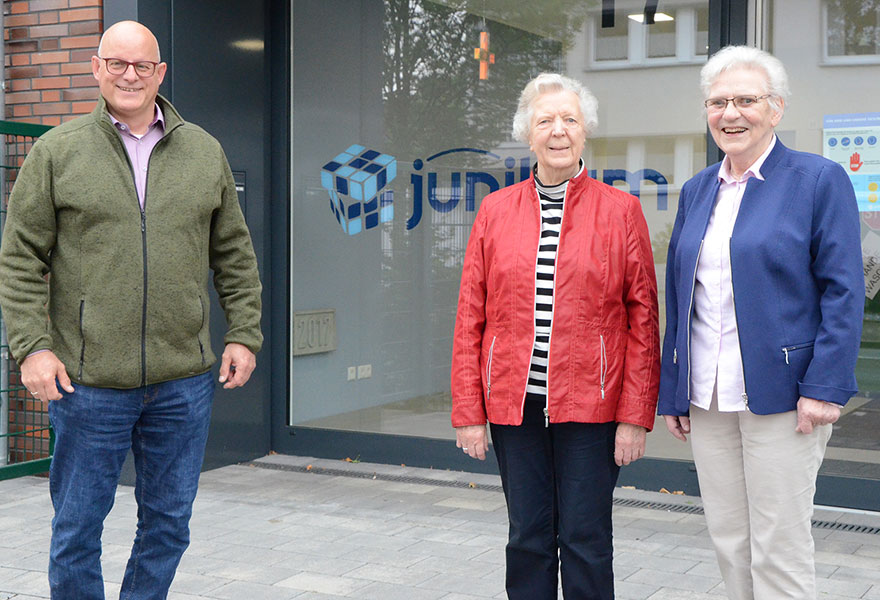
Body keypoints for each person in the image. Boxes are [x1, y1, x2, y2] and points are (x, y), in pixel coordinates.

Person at [0, 21, 262, 599]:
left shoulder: (203, 151)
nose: (129, 76)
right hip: (87, 383)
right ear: (96, 69)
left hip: (183, 383)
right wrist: (33, 347)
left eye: (142, 66)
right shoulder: (57, 152)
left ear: (160, 73)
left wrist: (243, 332)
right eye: (117, 63)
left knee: (168, 526)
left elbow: (234, 254)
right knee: (76, 531)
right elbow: (19, 259)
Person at [658, 46, 864, 600]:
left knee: (779, 544)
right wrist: (673, 389)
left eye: (746, 100)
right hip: (708, 396)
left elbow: (845, 291)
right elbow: (685, 298)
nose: (732, 114)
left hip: (785, 396)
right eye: (719, 102)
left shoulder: (817, 180)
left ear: (775, 109)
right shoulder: (698, 189)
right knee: (729, 539)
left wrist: (825, 387)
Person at [450, 73, 660, 600]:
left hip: (593, 406)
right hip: (514, 409)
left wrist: (635, 416)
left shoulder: (621, 211)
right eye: (546, 120)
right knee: (527, 537)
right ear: (528, 133)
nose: (558, 130)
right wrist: (469, 411)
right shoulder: (496, 212)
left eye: (570, 119)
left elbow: (643, 321)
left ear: (586, 130)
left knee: (586, 538)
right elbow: (471, 315)